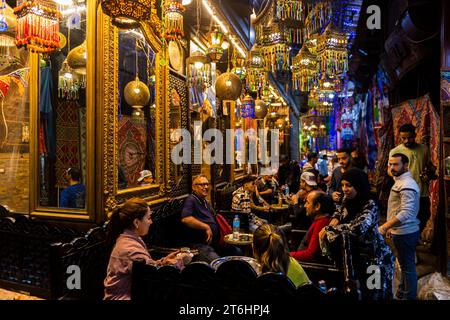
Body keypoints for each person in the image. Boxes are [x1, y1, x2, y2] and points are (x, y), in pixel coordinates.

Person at [319, 168, 394, 300]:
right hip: (357, 258)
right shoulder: (347, 199)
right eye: (342, 185)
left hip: (374, 260)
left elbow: (358, 228)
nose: (344, 189)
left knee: (375, 294)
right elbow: (340, 211)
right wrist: (335, 217)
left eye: (349, 185)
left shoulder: (371, 204)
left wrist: (329, 229)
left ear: (359, 185)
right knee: (360, 293)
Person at [104, 198, 192, 300]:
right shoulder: (130, 249)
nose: (151, 222)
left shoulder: (129, 238)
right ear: (136, 222)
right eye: (149, 218)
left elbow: (147, 267)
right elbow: (153, 276)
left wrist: (164, 261)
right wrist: (180, 260)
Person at [378, 154, 420, 300]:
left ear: (406, 166)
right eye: (390, 164)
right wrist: (391, 228)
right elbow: (397, 209)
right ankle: (402, 294)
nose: (392, 168)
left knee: (407, 268)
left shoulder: (407, 184)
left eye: (396, 164)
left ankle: (408, 296)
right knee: (403, 266)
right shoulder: (400, 182)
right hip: (400, 231)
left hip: (406, 233)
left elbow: (406, 213)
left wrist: (385, 226)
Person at [389, 123, 437, 232]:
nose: (406, 140)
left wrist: (429, 174)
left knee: (423, 216)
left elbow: (430, 167)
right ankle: (410, 242)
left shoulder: (424, 149)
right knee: (406, 219)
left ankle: (415, 238)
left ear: (415, 135)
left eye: (409, 137)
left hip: (421, 192)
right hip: (403, 192)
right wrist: (397, 177)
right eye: (403, 138)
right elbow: (389, 170)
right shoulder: (395, 151)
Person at [181, 175, 241, 263]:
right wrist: (206, 227)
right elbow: (186, 218)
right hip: (200, 245)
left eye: (207, 184)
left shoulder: (205, 201)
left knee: (237, 252)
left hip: (216, 243)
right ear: (194, 187)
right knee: (218, 263)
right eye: (202, 185)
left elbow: (216, 217)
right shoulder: (191, 200)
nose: (206, 187)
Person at [290, 191, 332, 263]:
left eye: (308, 203)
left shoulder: (321, 224)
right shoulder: (319, 220)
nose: (305, 206)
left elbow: (311, 255)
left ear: (317, 206)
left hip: (305, 267)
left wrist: (288, 255)